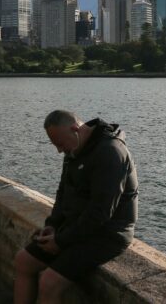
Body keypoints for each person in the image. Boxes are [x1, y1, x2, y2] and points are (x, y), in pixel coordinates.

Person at [14, 110, 138, 304]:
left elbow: (101, 212)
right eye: (56, 145)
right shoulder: (73, 149)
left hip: (107, 234)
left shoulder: (110, 152)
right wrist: (52, 225)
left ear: (75, 129)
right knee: (23, 261)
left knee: (49, 282)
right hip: (76, 227)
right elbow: (63, 192)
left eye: (60, 144)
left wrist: (61, 241)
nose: (59, 151)